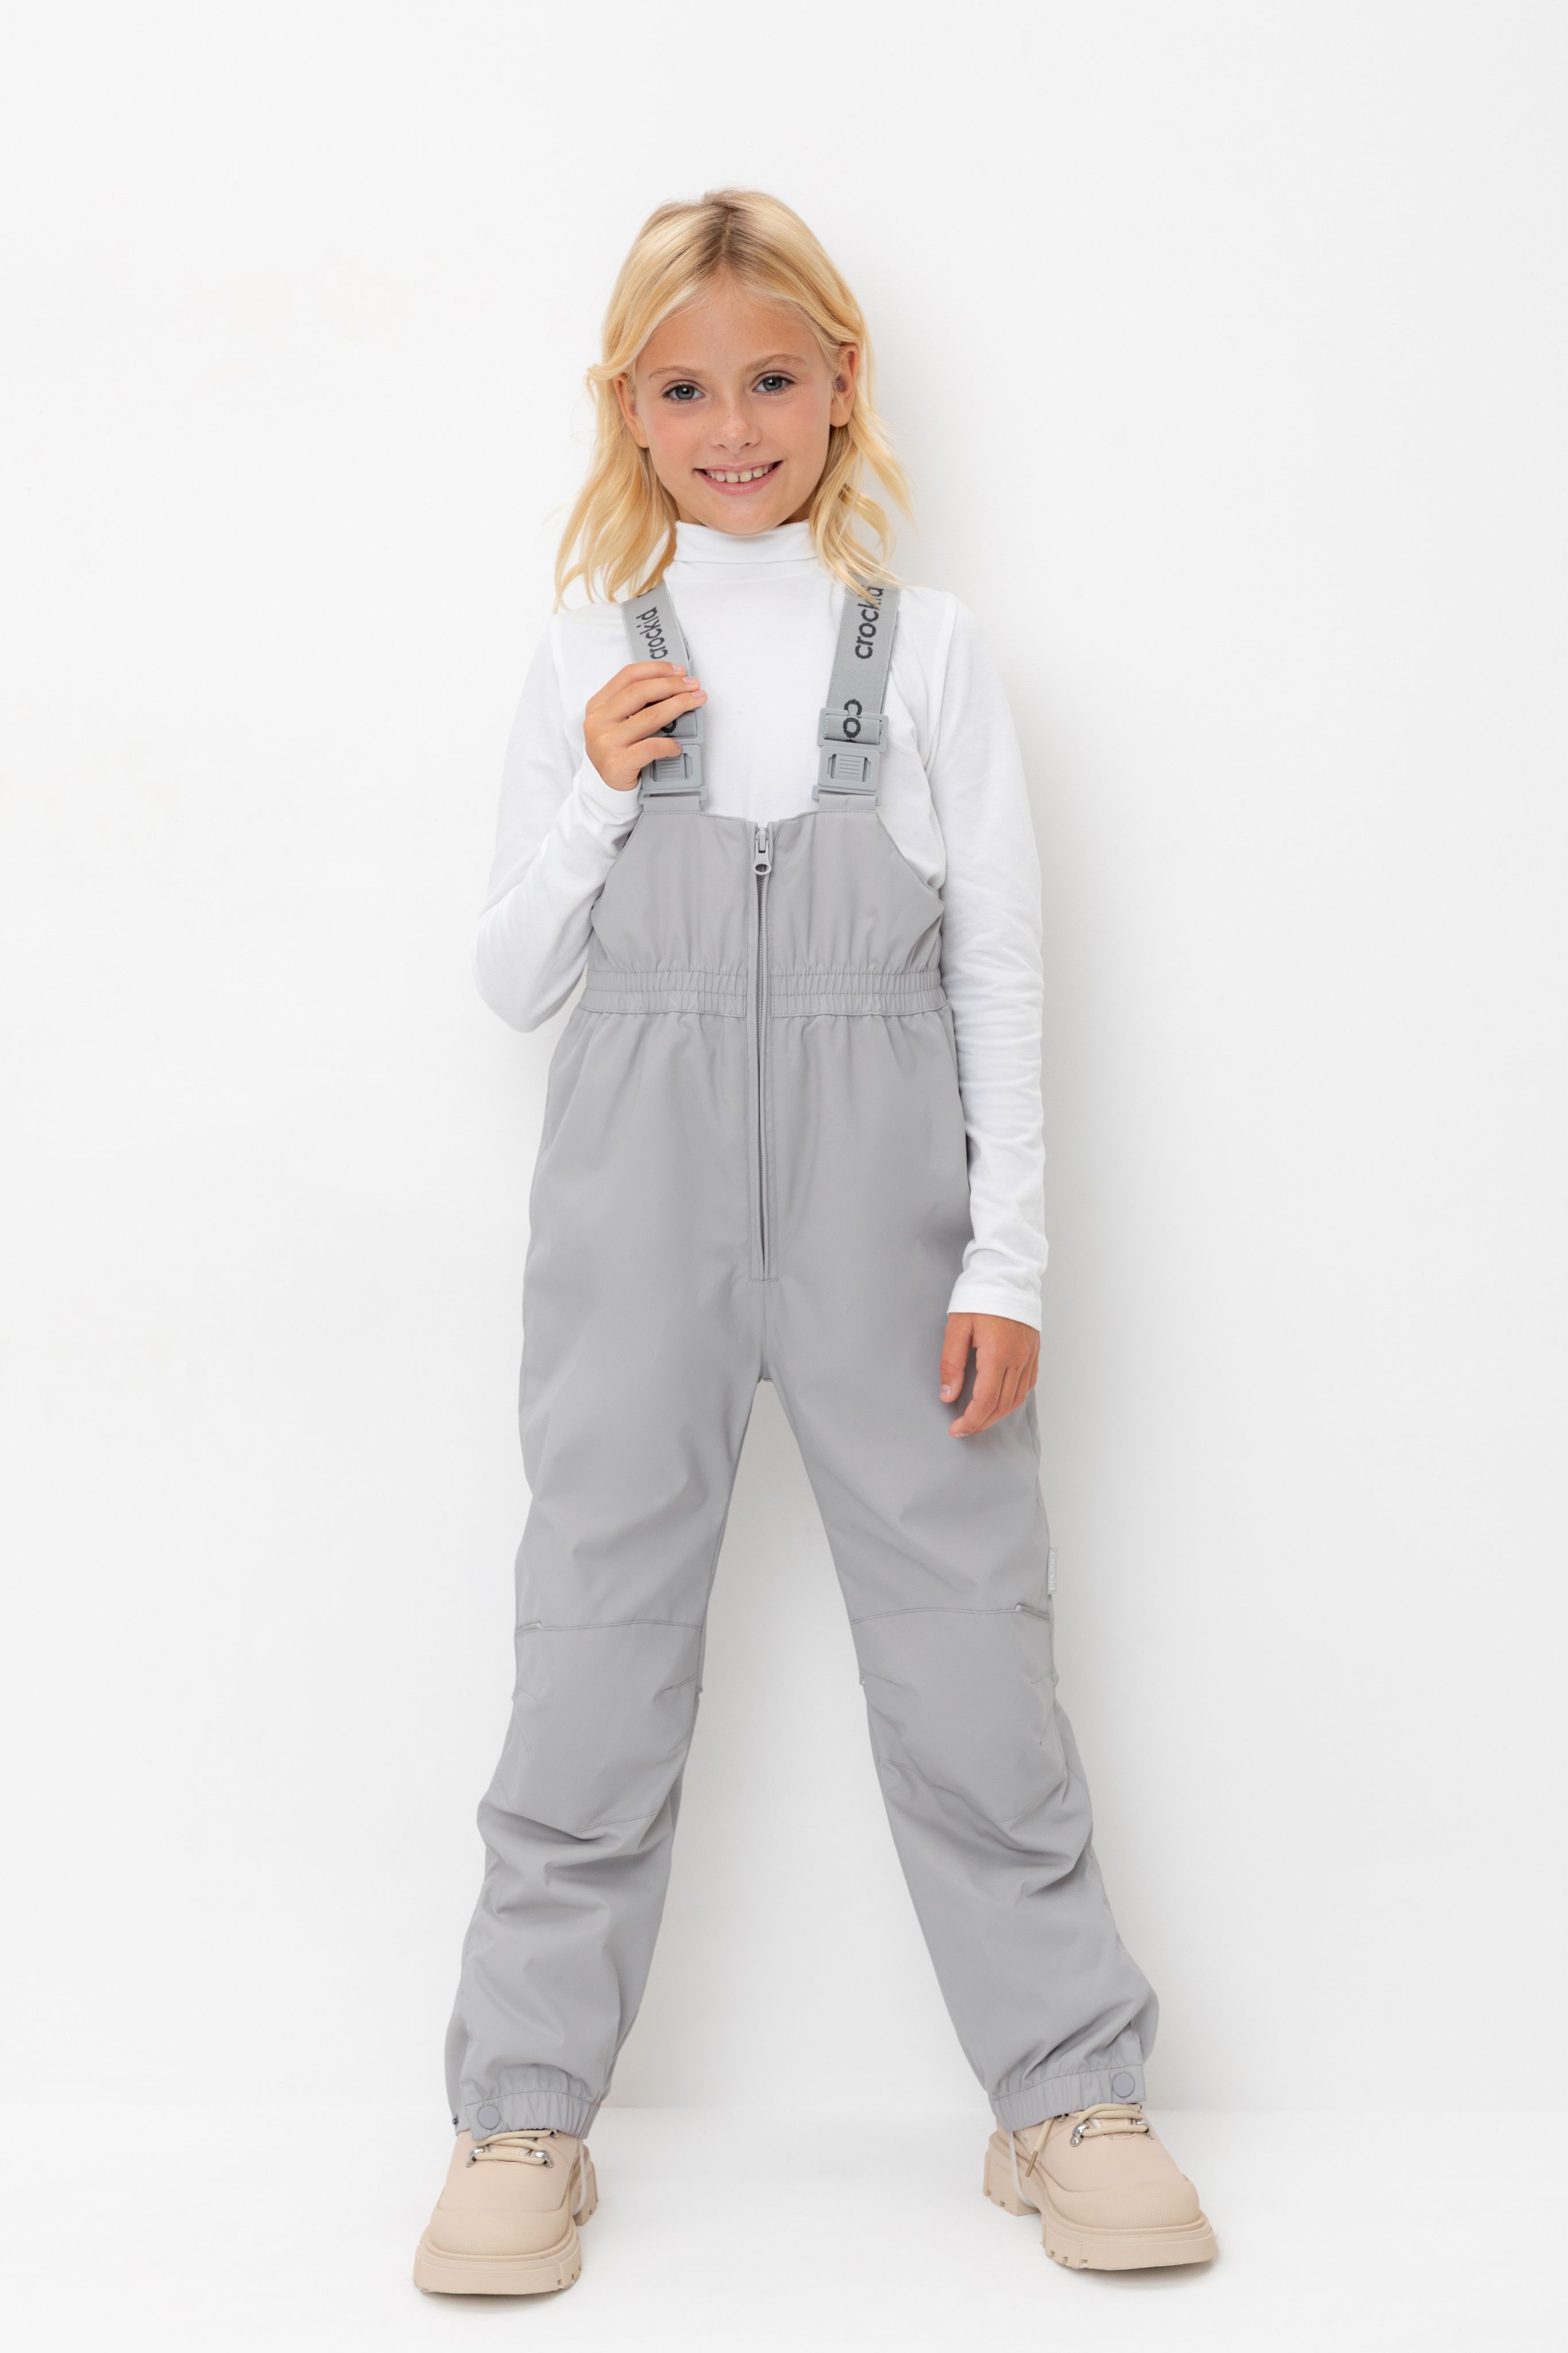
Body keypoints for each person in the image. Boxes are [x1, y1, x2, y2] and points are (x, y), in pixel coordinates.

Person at [414, 187, 1216, 2296]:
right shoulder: (586, 653)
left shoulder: (927, 653)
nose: (734, 426)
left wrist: (1005, 1262)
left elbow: (1000, 972)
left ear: (842, 384)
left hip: (890, 1216)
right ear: (626, 407)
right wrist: (598, 795)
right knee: (594, 1643)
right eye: (684, 390)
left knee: (968, 1649)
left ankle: (1064, 2092)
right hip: (637, 1208)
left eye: (772, 379)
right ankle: (522, 2111)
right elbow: (507, 978)